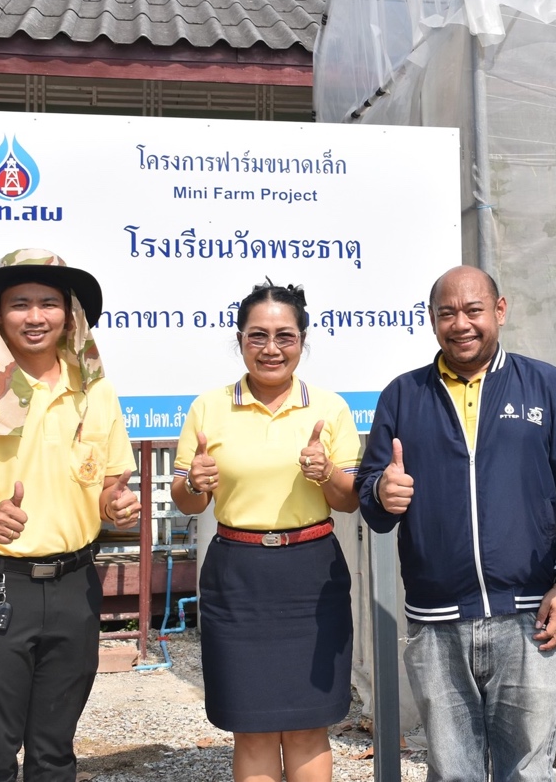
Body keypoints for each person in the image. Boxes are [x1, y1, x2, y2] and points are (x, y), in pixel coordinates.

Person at [357, 265, 556, 782]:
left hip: (531, 614)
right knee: (451, 771)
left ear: (500, 310)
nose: (461, 323)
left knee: (528, 770)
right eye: (447, 312)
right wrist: (382, 491)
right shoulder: (403, 396)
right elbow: (373, 503)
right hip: (437, 619)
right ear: (431, 320)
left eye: (473, 310)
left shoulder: (546, 387)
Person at [0, 248, 141, 782]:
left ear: (69, 315)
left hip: (75, 588)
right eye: (20, 304)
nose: (35, 317)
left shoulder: (94, 391)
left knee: (55, 752)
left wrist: (116, 505)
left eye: (49, 303)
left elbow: (110, 487)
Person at [170, 281, 361, 782]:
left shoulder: (329, 407)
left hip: (311, 574)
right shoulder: (208, 408)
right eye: (257, 336)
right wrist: (195, 481)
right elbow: (188, 499)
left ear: (302, 340)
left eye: (284, 336)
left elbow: (349, 498)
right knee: (251, 728)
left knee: (308, 725)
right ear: (240, 340)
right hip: (238, 575)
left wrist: (328, 475)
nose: (271, 348)